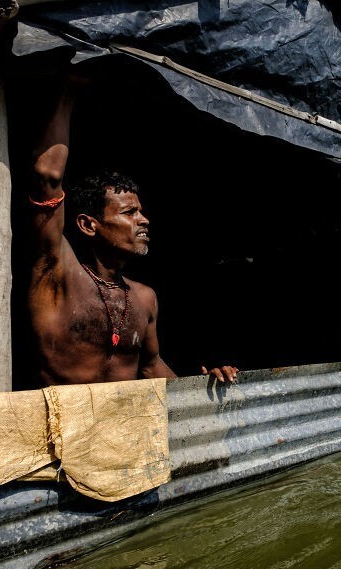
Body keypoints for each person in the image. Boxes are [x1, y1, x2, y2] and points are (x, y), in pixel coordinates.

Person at [26, 75, 236, 385]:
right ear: (87, 225)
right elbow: (46, 178)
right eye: (129, 212)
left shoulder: (144, 298)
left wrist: (200, 389)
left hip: (123, 430)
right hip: (60, 428)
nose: (144, 220)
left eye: (141, 211)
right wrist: (69, 88)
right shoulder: (57, 271)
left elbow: (150, 368)